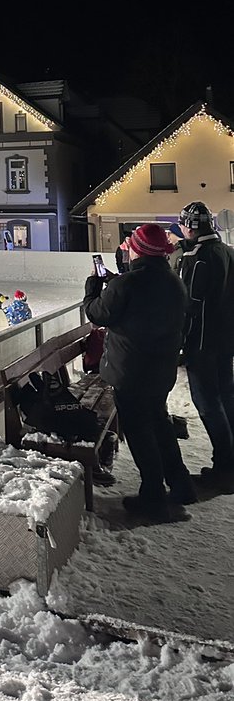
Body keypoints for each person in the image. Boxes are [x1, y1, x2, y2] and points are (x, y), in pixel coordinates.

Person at [84, 222, 195, 521]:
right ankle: (181, 483)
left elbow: (97, 313)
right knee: (159, 424)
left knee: (140, 432)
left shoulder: (126, 284)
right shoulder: (173, 281)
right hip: (161, 369)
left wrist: (92, 289)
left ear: (138, 250)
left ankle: (153, 496)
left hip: (131, 372)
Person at [177, 200, 234, 483]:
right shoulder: (227, 252)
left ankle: (224, 465)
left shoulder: (197, 258)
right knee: (226, 397)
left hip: (202, 344)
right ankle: (230, 461)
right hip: (226, 341)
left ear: (190, 228)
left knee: (207, 402)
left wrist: (182, 342)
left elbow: (191, 305)